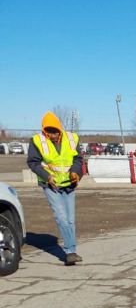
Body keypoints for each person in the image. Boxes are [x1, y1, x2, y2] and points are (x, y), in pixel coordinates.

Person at [27, 111, 84, 265]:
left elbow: (78, 159)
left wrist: (76, 173)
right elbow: (33, 162)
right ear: (44, 130)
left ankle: (71, 250)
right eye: (48, 132)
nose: (52, 135)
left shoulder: (72, 139)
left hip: (69, 185)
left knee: (70, 220)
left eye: (54, 132)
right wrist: (47, 177)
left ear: (60, 129)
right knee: (61, 218)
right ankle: (70, 251)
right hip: (51, 185)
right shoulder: (37, 141)